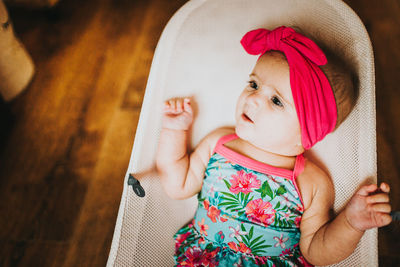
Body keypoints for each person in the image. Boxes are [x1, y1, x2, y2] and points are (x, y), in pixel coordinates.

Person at [156, 26, 392, 266]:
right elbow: (178, 185)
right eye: (254, 84)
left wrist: (350, 223)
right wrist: (174, 130)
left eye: (277, 101)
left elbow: (315, 251)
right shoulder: (219, 144)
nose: (254, 98)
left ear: (308, 132)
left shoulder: (311, 182)